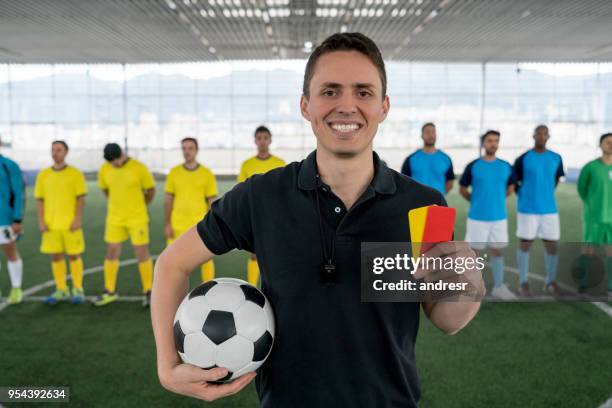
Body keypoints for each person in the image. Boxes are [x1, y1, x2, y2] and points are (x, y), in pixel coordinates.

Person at [151, 32, 484, 407]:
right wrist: (168, 366)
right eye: (329, 91)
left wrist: (470, 285)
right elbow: (171, 264)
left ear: (384, 106)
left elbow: (446, 318)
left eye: (363, 92)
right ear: (305, 105)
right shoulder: (262, 196)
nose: (346, 106)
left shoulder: (425, 206)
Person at [93, 143, 155, 307]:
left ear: (122, 154)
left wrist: (140, 206)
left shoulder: (139, 168)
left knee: (142, 253)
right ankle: (109, 291)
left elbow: (150, 190)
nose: (114, 164)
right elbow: (105, 190)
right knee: (111, 252)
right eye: (111, 162)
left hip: (137, 218)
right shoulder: (105, 169)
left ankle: (148, 291)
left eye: (116, 161)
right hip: (115, 219)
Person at [460, 130, 516, 299]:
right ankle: (472, 288)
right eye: (490, 140)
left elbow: (511, 188)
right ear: (483, 143)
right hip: (477, 218)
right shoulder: (473, 166)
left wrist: (495, 199)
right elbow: (462, 188)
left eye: (496, 141)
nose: (493, 143)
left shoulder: (506, 166)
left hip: (499, 218)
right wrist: (477, 201)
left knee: (497, 251)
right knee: (474, 253)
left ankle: (499, 287)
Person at [513, 125, 565, 296]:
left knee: (552, 247)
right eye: (539, 133)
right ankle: (523, 283)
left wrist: (545, 194)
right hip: (527, 209)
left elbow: (556, 180)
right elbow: (516, 182)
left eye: (545, 133)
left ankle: (550, 282)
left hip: (549, 210)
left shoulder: (556, 158)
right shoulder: (523, 158)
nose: (542, 136)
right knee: (525, 245)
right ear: (533, 135)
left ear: (548, 136)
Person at [35, 141, 87, 305]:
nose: (55, 153)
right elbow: (40, 200)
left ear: (66, 152)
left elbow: (81, 198)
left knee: (74, 256)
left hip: (70, 225)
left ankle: (78, 288)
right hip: (51, 225)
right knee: (56, 257)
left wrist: (77, 219)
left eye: (59, 150)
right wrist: (41, 221)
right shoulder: (43, 175)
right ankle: (61, 289)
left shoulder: (75, 174)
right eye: (53, 150)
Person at [237, 126, 285, 286]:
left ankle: (274, 287)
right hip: (254, 214)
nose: (262, 141)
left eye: (265, 138)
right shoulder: (247, 164)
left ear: (270, 140)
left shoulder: (280, 163)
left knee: (274, 252)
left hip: (274, 215)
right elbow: (241, 191)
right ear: (255, 141)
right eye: (259, 138)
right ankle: (251, 288)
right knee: (254, 253)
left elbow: (284, 189)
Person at [165, 137, 218, 282]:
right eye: (184, 148)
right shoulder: (174, 172)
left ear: (196, 150)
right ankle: (174, 293)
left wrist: (211, 224)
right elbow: (169, 199)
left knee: (206, 259)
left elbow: (212, 201)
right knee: (173, 262)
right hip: (177, 225)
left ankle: (208, 288)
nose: (187, 152)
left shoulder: (206, 173)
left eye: (190, 148)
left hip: (199, 225)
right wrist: (168, 223)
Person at [577, 132, 612, 297]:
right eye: (607, 142)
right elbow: (582, 189)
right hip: (594, 218)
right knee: (588, 250)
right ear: (600, 145)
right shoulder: (590, 167)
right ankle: (583, 283)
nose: (611, 144)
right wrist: (593, 206)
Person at [0, 139, 25, 305]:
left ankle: (16, 288)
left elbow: (18, 193)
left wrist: (17, 219)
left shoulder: (9, 165)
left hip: (5, 220)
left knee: (10, 252)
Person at [401, 122, 455, 195]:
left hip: (437, 203)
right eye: (427, 132)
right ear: (422, 135)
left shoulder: (445, 159)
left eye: (433, 132)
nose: (431, 135)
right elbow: (403, 182)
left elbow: (450, 182)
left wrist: (440, 195)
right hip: (416, 203)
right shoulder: (411, 159)